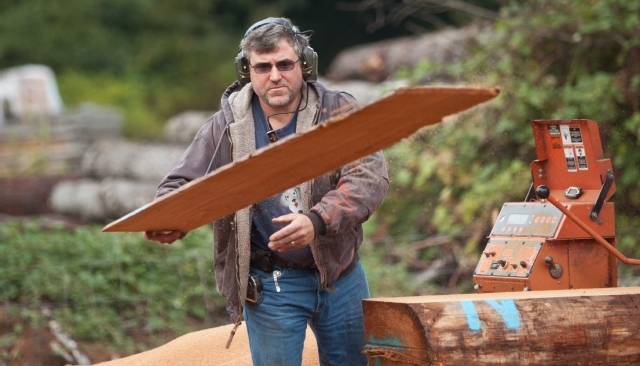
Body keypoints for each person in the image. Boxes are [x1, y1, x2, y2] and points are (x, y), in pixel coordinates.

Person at [144, 17, 388, 366]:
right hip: (271, 283)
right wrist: (171, 217)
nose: (274, 75)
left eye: (284, 64)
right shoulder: (226, 127)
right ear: (247, 71)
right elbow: (179, 185)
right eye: (263, 67)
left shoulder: (337, 110)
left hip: (340, 276)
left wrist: (317, 221)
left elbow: (368, 177)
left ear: (304, 64)